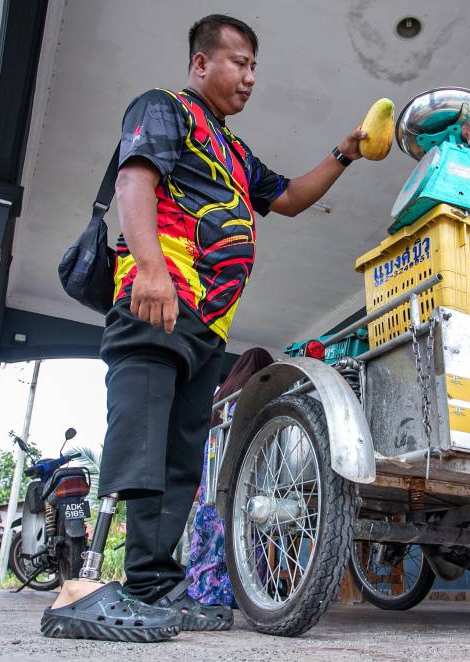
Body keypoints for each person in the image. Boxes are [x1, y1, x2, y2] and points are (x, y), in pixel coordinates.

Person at [41, 14, 370, 642]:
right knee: (141, 437)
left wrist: (343, 153)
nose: (249, 78)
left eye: (253, 68)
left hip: (206, 327)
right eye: (239, 63)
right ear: (201, 64)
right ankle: (81, 584)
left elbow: (293, 198)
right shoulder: (166, 109)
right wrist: (148, 269)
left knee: (181, 459)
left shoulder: (236, 152)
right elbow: (134, 178)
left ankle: (154, 587)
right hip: (156, 302)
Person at [185, 347, 275, 608]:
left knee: (211, 532)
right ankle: (240, 592)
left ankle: (203, 587)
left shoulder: (222, 396)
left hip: (213, 475)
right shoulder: (252, 397)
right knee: (245, 532)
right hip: (245, 477)